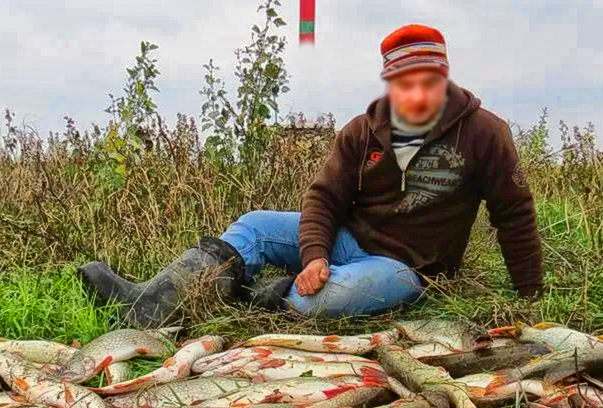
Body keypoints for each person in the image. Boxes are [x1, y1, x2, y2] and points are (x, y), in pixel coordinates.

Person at [79, 24, 543, 327]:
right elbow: (323, 200)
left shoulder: (485, 134)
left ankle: (266, 295)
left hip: (406, 268)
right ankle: (149, 305)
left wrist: (530, 299)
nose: (417, 94)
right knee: (256, 225)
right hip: (348, 239)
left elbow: (515, 215)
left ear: (443, 76)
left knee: (322, 302)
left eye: (428, 81)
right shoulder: (363, 131)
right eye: (405, 84)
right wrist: (317, 253)